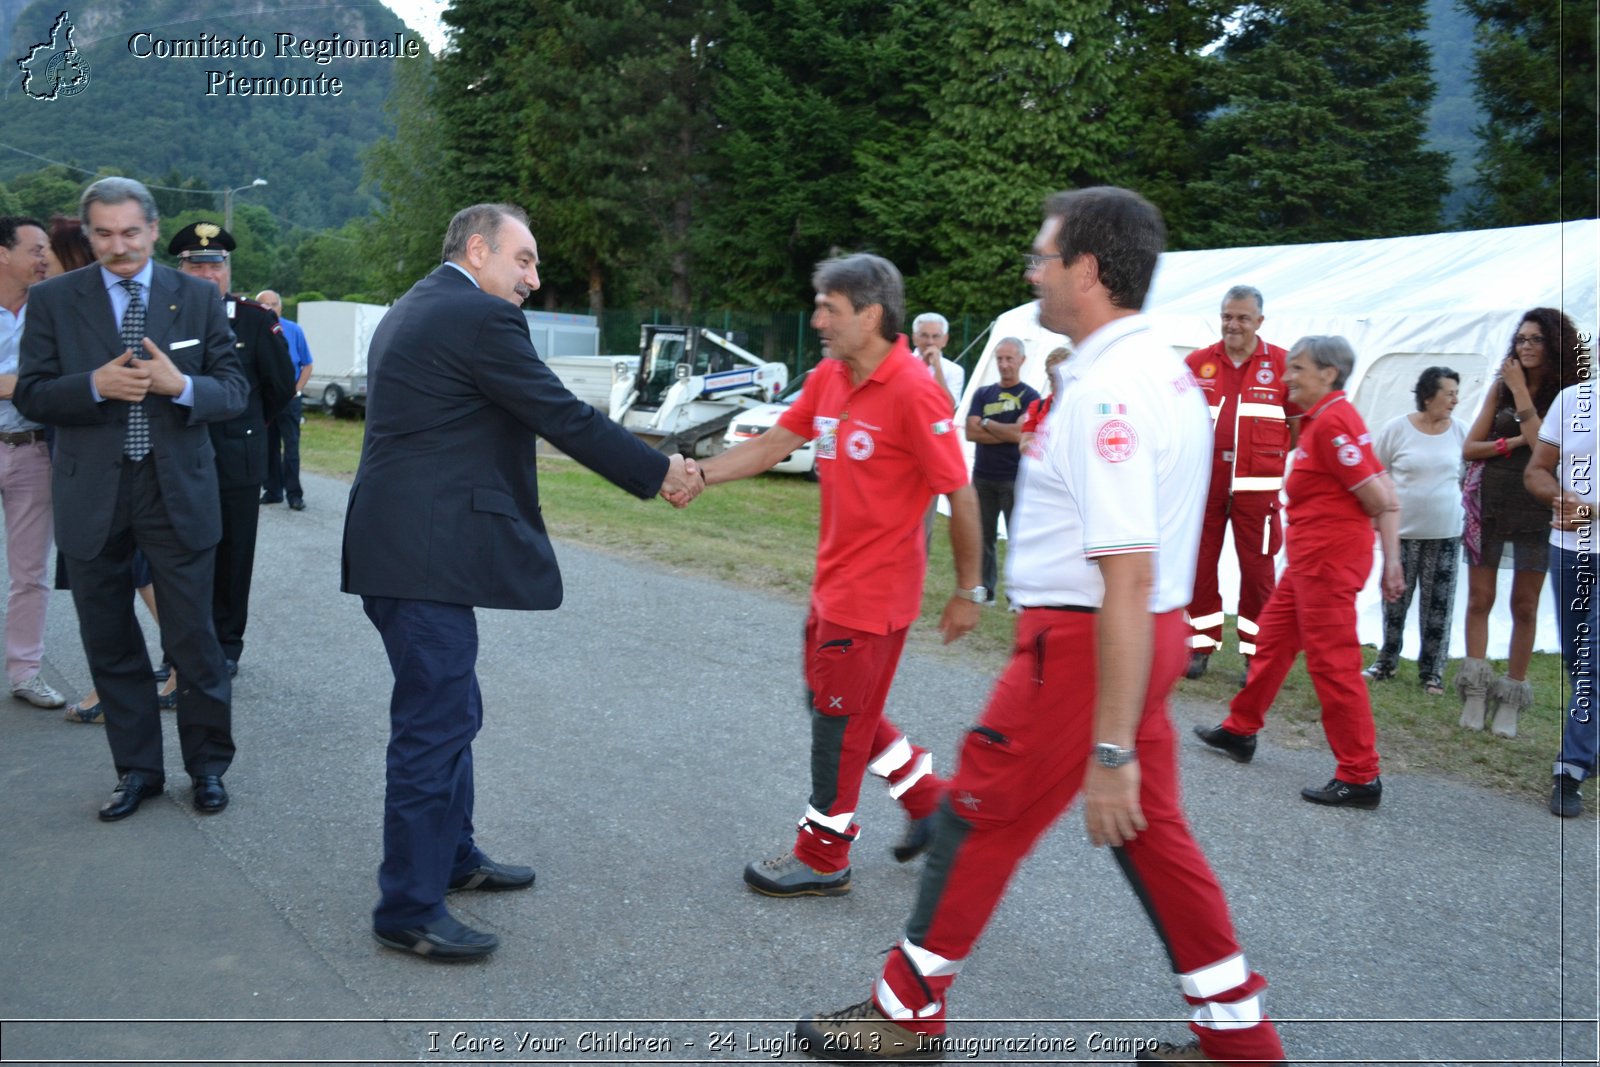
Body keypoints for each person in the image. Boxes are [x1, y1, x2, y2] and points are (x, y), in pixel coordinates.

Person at [794, 188, 1286, 1067]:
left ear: (1087, 271)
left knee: (977, 817)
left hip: (1091, 644)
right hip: (1133, 635)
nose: (1031, 271)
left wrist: (1108, 750)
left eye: (1042, 256)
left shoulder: (1108, 393)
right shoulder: (1163, 370)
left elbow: (1125, 574)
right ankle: (1239, 1041)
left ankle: (903, 1012)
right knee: (1154, 835)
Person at [341, 203, 701, 962]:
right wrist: (658, 469)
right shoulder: (475, 316)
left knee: (452, 711)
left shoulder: (417, 304)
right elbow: (559, 413)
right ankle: (407, 905)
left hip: (404, 551)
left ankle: (455, 857)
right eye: (525, 260)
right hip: (420, 558)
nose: (534, 280)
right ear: (478, 250)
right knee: (432, 728)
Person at [698, 253, 982, 900]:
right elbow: (774, 443)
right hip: (833, 583)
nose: (817, 318)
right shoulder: (830, 375)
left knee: (839, 721)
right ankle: (927, 795)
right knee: (835, 706)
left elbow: (959, 494)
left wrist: (968, 589)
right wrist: (699, 474)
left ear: (871, 315)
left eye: (830, 307)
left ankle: (824, 853)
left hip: (874, 595)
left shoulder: (914, 390)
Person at [16, 176, 247, 821]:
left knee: (194, 640)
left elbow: (234, 391)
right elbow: (32, 392)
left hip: (176, 491)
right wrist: (91, 385)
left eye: (130, 233)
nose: (119, 247)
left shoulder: (198, 297)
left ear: (151, 228)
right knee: (110, 640)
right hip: (92, 492)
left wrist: (182, 386)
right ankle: (138, 771)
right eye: (104, 235)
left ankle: (207, 768)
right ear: (88, 236)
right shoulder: (56, 299)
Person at [1195, 336, 1403, 809]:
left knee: (1334, 665)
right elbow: (1379, 483)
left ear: (1328, 374)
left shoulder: (1331, 423)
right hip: (1309, 562)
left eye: (1298, 370)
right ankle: (1239, 731)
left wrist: (1392, 560)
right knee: (1271, 642)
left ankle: (1360, 774)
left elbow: (1379, 497)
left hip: (1328, 564)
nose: (1286, 378)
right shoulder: (1323, 420)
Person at [169, 222, 295, 678]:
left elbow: (280, 387)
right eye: (195, 265)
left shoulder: (257, 321)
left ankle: (225, 645)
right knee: (180, 556)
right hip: (178, 457)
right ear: (180, 268)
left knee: (232, 554)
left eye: (214, 265)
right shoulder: (165, 317)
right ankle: (180, 649)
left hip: (236, 457)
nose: (206, 274)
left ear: (228, 269)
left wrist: (249, 428)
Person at [1457, 309, 1585, 737]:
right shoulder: (1501, 388)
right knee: (1480, 599)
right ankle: (1475, 690)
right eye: (1521, 339)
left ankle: (1511, 694)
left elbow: (1547, 449)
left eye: (1535, 340)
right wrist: (1507, 439)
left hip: (1537, 506)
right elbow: (1470, 449)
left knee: (1525, 605)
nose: (1525, 347)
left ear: (1554, 344)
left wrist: (1521, 395)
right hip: (1490, 502)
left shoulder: (1568, 394)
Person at [1182, 286, 1299, 682]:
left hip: (1258, 491)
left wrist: (1268, 458)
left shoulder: (1284, 365)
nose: (1234, 324)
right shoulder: (1197, 364)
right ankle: (1199, 644)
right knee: (1198, 566)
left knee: (1259, 573)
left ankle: (1256, 653)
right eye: (1228, 316)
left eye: (1243, 318)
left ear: (1259, 322)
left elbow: (1299, 426)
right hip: (1205, 486)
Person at [1364, 367, 1467, 695]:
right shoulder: (1397, 430)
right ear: (1428, 396)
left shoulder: (1461, 432)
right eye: (1449, 393)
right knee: (1395, 600)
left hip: (1445, 534)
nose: (1455, 400)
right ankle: (1386, 661)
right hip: (1403, 533)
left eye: (1456, 393)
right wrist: (1376, 520)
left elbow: (1464, 477)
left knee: (1438, 605)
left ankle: (1432, 672)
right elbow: (1378, 474)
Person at [0, 215, 65, 711]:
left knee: (30, 573)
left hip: (34, 450)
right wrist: (28, 381)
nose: (44, 258)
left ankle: (25, 672)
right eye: (35, 249)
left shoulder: (54, 309)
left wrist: (15, 383)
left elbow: (67, 376)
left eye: (46, 250)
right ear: (4, 254)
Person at [1525, 372, 1596, 817]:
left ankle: (1570, 768)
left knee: (1593, 662)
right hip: (1568, 551)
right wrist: (1558, 500)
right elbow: (1537, 470)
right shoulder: (1573, 401)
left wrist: (1593, 511)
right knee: (1575, 655)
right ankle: (1591, 739)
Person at [963, 337, 1038, 603]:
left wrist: (986, 422)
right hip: (983, 476)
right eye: (1000, 359)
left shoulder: (1030, 397)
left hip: (1014, 478)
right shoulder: (983, 394)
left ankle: (1016, 595)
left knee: (1018, 539)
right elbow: (971, 433)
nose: (1004, 365)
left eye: (1010, 359)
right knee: (983, 537)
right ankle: (987, 591)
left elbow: (1022, 435)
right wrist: (1007, 432)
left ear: (1022, 360)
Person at [256, 289, 312, 511]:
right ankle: (273, 491)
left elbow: (307, 364)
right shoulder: (257, 330)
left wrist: (297, 390)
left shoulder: (294, 330)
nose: (270, 308)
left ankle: (294, 494)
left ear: (280, 306)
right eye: (265, 304)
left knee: (291, 447)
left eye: (274, 303)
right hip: (266, 398)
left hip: (289, 398)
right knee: (268, 446)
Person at [911, 312, 964, 413]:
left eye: (936, 336)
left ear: (945, 340)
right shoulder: (901, 364)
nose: (930, 342)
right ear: (914, 338)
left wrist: (937, 368)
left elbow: (949, 406)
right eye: (924, 335)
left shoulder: (955, 370)